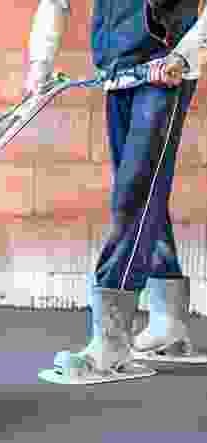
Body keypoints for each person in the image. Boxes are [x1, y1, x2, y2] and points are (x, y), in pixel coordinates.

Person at [24, 0, 207, 384]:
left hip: (165, 74)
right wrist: (39, 65)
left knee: (134, 198)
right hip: (118, 77)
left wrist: (186, 54)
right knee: (144, 196)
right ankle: (169, 324)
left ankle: (111, 341)